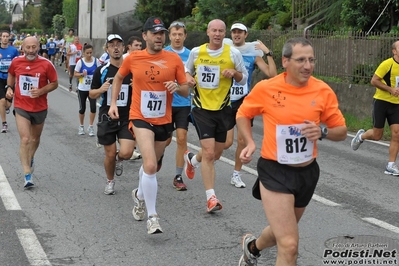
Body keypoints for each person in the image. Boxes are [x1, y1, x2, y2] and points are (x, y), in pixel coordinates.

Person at [235, 37, 347, 266]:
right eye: (301, 60)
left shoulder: (322, 90)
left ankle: (253, 247)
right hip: (275, 171)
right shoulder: (267, 88)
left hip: (307, 173)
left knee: (280, 234)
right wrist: (249, 142)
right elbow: (243, 114)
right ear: (285, 61)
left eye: (311, 60)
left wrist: (322, 132)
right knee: (290, 245)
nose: (308, 66)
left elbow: (342, 131)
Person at [108, 16, 189, 234]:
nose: (159, 37)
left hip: (164, 119)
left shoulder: (173, 60)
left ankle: (139, 194)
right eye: (154, 33)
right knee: (151, 164)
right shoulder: (133, 58)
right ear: (145, 36)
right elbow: (118, 78)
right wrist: (113, 103)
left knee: (153, 166)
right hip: (140, 117)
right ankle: (153, 217)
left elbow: (185, 89)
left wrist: (176, 87)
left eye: (161, 33)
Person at [183, 19, 248, 212]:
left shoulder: (233, 53)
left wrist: (234, 73)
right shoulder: (197, 52)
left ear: (224, 33)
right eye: (214, 31)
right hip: (201, 108)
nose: (217, 34)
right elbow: (187, 71)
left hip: (223, 109)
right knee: (210, 153)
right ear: (208, 32)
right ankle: (211, 198)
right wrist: (188, 78)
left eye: (221, 31)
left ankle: (193, 160)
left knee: (219, 151)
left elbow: (243, 77)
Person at [225, 22, 277, 188]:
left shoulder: (253, 54)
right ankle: (197, 160)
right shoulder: (225, 49)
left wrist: (267, 52)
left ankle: (236, 174)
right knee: (225, 143)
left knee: (242, 140)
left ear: (245, 35)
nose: (236, 35)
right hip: (225, 99)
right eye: (234, 32)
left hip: (243, 101)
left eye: (240, 32)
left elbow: (272, 75)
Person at [5, 36, 58, 189]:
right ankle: (27, 174)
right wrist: (9, 88)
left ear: (38, 47)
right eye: (28, 47)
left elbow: (54, 83)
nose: (30, 50)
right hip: (22, 106)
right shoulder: (17, 62)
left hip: (40, 107)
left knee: (35, 139)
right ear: (23, 48)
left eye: (34, 47)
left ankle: (31, 156)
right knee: (26, 139)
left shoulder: (46, 64)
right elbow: (11, 74)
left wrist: (41, 91)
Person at [89, 34, 135, 195]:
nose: (115, 47)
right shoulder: (102, 70)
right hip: (107, 116)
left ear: (124, 48)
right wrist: (100, 90)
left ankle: (120, 159)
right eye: (112, 45)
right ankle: (110, 181)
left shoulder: (132, 68)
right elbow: (91, 93)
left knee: (127, 152)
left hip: (127, 116)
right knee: (109, 154)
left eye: (118, 44)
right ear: (107, 49)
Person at [351, 40, 399, 175]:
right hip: (382, 102)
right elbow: (374, 81)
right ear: (394, 51)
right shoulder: (386, 64)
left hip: (397, 104)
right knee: (377, 135)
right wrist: (390, 89)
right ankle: (361, 136)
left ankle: (391, 165)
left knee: (397, 133)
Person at [163, 21, 191, 191]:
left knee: (181, 138)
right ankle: (155, 160)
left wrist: (192, 83)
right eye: (174, 34)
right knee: (164, 140)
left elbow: (194, 77)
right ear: (169, 36)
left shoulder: (191, 54)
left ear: (185, 36)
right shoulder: (163, 53)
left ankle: (178, 176)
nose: (177, 37)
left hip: (184, 103)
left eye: (180, 34)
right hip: (165, 102)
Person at [122, 35, 143, 161]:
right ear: (129, 47)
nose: (139, 48)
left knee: (135, 120)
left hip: (137, 94)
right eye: (136, 45)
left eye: (140, 46)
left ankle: (133, 148)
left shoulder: (141, 59)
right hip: (124, 94)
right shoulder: (124, 59)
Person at [74, 43, 100, 136]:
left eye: (90, 53)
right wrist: (81, 74)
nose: (89, 55)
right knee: (82, 109)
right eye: (87, 53)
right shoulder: (80, 62)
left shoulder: (96, 61)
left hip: (92, 89)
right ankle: (81, 126)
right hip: (82, 89)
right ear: (83, 53)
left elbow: (100, 72)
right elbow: (75, 74)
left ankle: (91, 126)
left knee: (93, 108)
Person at [0, 31, 19, 133]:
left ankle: (7, 107)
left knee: (7, 104)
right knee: (1, 101)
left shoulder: (13, 50)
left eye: (7, 36)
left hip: (10, 78)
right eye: (3, 36)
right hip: (0, 77)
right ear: (1, 38)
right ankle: (4, 123)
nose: (5, 38)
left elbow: (18, 64)